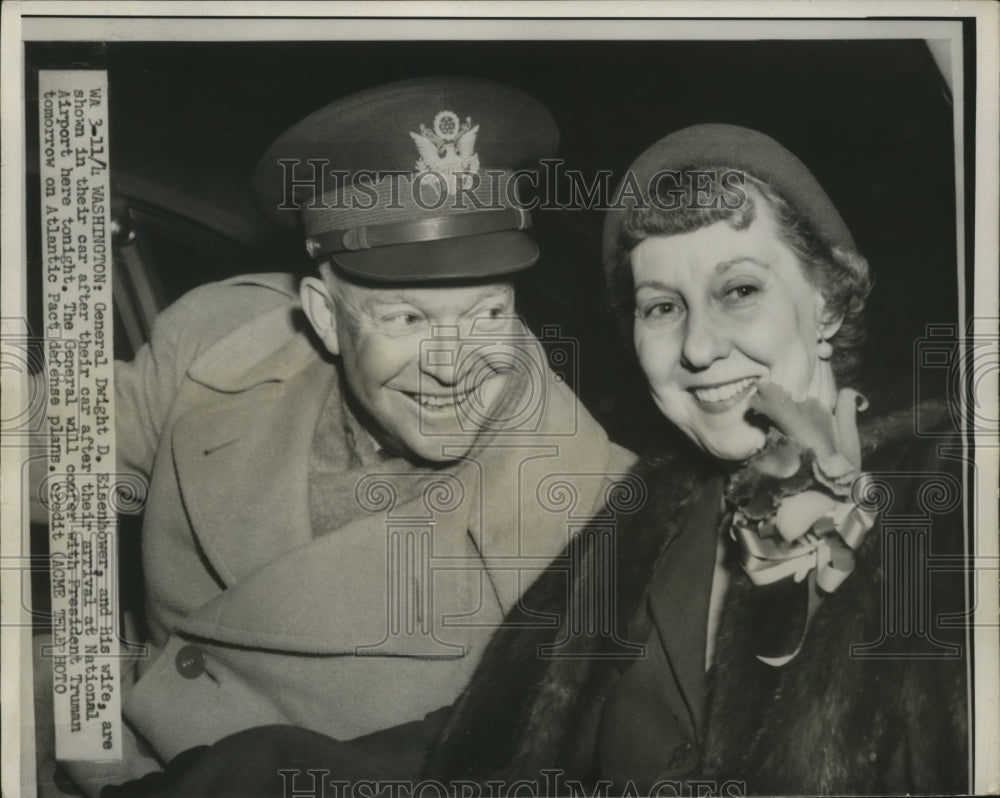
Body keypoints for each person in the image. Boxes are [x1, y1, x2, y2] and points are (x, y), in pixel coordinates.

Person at [36, 78, 634, 796]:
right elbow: (46, 446)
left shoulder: (600, 517)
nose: (455, 367)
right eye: (406, 319)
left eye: (487, 314)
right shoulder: (224, 345)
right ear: (324, 316)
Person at [427, 124, 969, 795]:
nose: (698, 348)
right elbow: (492, 749)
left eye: (739, 291)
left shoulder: (951, 499)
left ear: (825, 304)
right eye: (661, 307)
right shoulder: (641, 517)